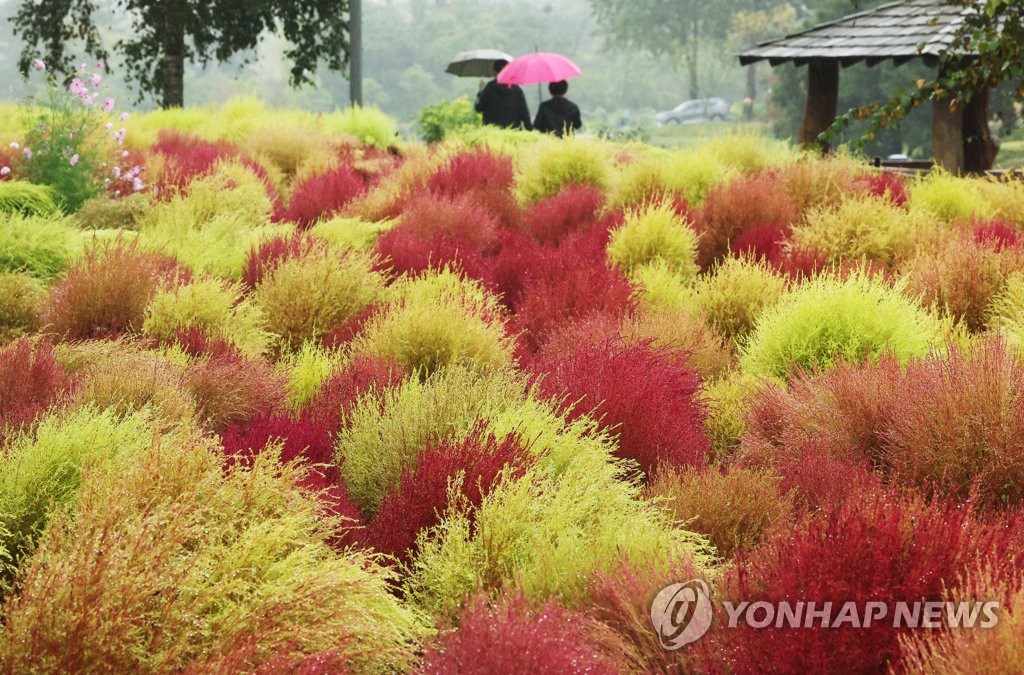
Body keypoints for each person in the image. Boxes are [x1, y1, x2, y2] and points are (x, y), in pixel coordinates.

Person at [475, 60, 532, 130]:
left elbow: (478, 108)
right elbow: (524, 112)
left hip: (493, 132)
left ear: (494, 72)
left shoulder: (488, 88)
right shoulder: (516, 90)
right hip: (514, 132)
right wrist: (530, 130)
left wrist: (480, 92)